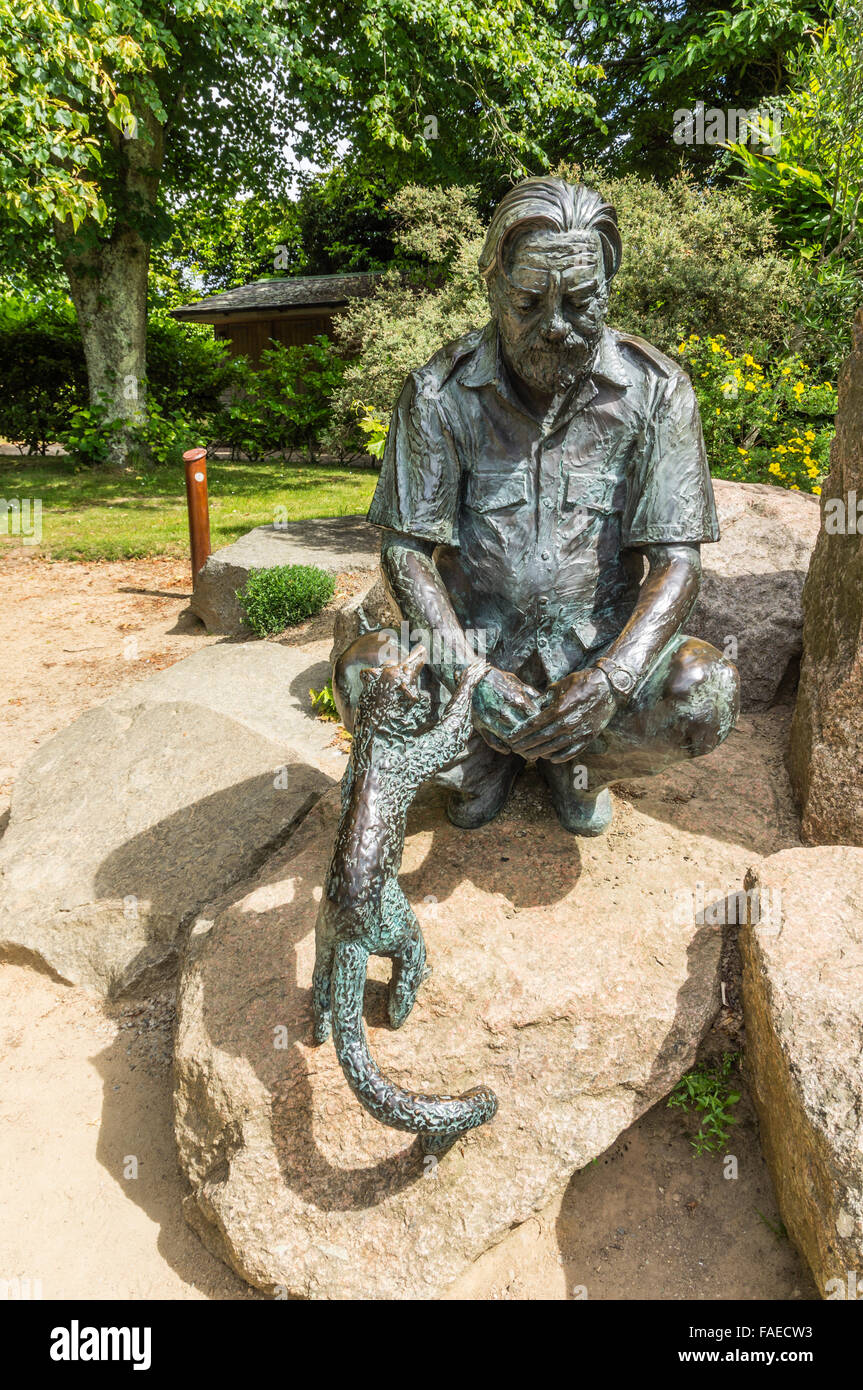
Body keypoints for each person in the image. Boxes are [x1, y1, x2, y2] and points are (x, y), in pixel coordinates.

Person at [333, 177, 740, 835]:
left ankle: (580, 763)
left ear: (608, 288)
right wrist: (470, 675)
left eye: (581, 302)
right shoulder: (437, 394)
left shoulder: (657, 391)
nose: (554, 326)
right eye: (528, 301)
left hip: (592, 666)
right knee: (364, 674)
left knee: (705, 691)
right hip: (470, 661)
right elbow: (405, 552)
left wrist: (610, 681)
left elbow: (675, 562)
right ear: (493, 287)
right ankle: (477, 763)